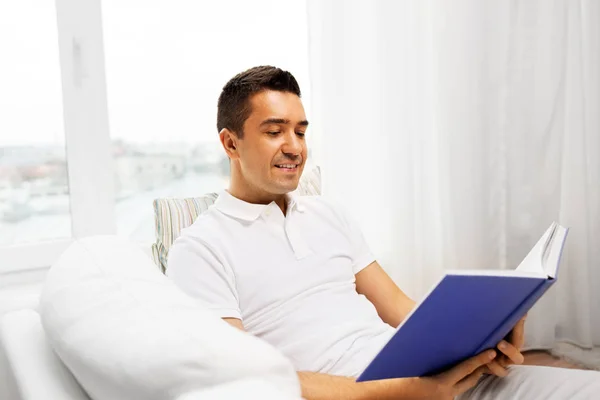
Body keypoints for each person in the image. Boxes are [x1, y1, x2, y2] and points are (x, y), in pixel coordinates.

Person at [167, 66, 600, 399]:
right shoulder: (200, 249)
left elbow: (403, 311)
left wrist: (482, 339)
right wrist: (393, 393)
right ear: (230, 143)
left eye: (300, 131)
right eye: (274, 131)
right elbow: (248, 378)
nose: (295, 146)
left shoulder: (328, 216)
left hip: (426, 379)